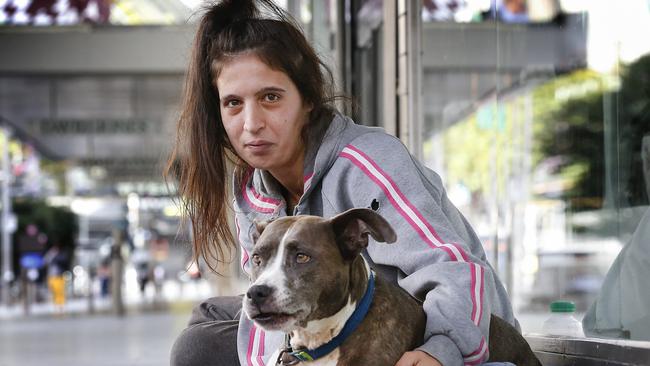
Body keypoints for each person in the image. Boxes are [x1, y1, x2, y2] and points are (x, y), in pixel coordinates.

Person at [167, 1, 518, 365]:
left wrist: (441, 350)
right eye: (233, 103)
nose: (251, 123)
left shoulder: (367, 161)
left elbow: (451, 266)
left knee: (198, 347)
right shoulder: (251, 189)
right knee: (207, 314)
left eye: (270, 97)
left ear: (307, 100)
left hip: (427, 334)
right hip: (326, 331)